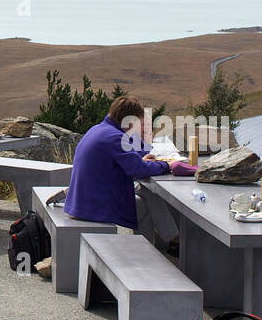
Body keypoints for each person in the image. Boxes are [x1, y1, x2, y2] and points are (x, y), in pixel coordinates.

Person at [64, 96, 178, 250]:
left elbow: (129, 157)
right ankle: (161, 246)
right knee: (145, 202)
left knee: (145, 196)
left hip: (84, 201)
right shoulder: (115, 138)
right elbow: (138, 170)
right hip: (95, 207)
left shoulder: (99, 129)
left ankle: (164, 244)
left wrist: (141, 159)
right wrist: (166, 165)